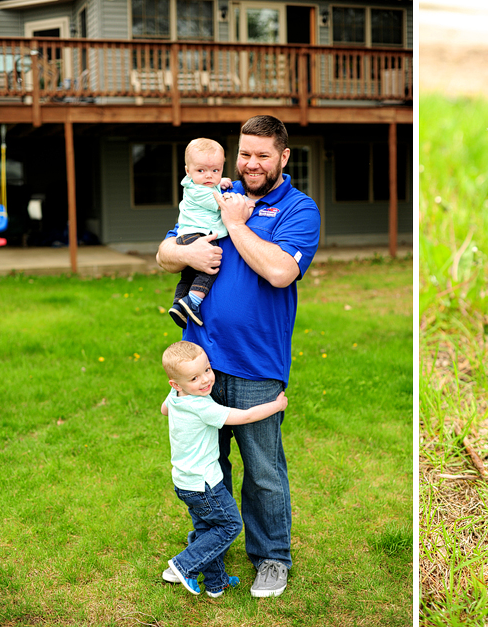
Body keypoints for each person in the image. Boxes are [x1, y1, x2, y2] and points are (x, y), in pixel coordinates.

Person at [156, 115, 321, 598]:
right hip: (199, 364)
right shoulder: (216, 194)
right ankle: (209, 550)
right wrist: (185, 256)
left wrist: (234, 224)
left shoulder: (297, 208)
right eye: (245, 153)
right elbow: (165, 253)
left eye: (263, 155)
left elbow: (279, 272)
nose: (251, 163)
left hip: (256, 363)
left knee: (263, 472)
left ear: (283, 157)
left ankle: (272, 558)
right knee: (209, 467)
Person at [161, 341, 288, 597]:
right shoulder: (203, 406)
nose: (206, 380)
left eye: (207, 370)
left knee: (208, 528)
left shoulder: (176, 397)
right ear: (176, 384)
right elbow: (245, 417)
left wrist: (187, 388)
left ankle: (216, 582)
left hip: (184, 483)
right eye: (194, 378)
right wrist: (276, 406)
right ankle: (184, 564)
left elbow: (164, 410)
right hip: (205, 485)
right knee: (229, 526)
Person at [168, 138, 246, 330]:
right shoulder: (199, 191)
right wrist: (243, 202)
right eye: (201, 171)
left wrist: (223, 181)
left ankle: (179, 304)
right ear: (188, 171)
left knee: (187, 276)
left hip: (185, 237)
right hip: (199, 237)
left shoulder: (199, 184)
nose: (208, 176)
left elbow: (214, 185)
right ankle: (193, 301)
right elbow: (221, 204)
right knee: (210, 266)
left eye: (215, 171)